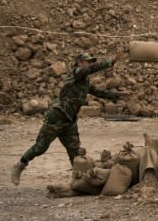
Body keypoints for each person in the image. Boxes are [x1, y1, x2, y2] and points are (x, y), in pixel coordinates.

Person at [11, 49, 129, 185]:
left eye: (91, 62)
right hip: (58, 115)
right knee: (40, 147)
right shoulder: (76, 73)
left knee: (75, 151)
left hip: (69, 120)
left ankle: (78, 181)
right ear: (79, 62)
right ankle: (20, 165)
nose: (89, 64)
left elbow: (98, 92)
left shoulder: (85, 81)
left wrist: (118, 95)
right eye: (87, 61)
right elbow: (88, 70)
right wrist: (111, 62)